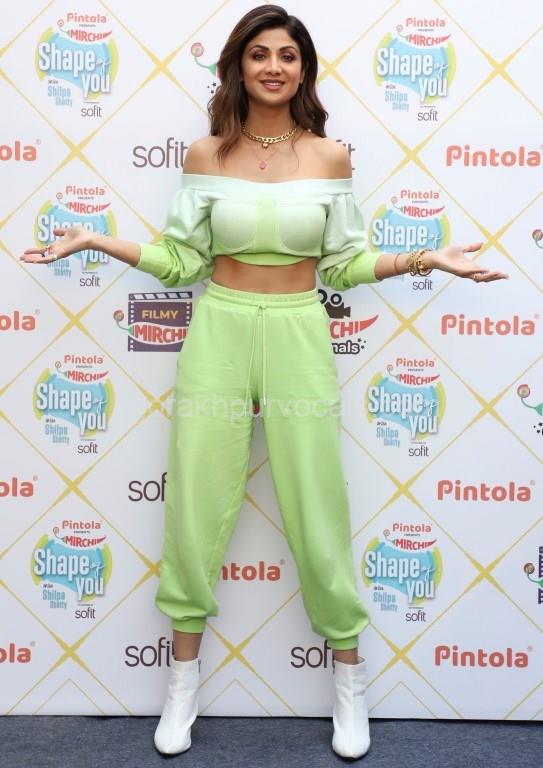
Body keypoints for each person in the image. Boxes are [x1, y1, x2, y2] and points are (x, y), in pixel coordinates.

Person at [20, 4, 508, 760]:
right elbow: (183, 261)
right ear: (238, 67)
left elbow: (342, 265)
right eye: (259, 54)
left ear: (303, 69)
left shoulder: (330, 158)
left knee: (316, 501)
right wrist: (97, 239)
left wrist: (425, 259)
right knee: (195, 500)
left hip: (298, 332)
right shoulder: (205, 155)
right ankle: (180, 688)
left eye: (287, 55)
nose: (273, 66)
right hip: (218, 329)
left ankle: (349, 684)